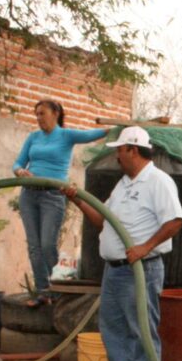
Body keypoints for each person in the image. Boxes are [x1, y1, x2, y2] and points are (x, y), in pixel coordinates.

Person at [63, 126, 182, 361]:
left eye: (119, 150)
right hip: (114, 271)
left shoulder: (159, 181)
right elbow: (103, 222)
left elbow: (176, 221)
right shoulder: (123, 185)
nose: (116, 156)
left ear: (132, 149)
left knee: (141, 331)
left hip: (141, 270)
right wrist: (78, 199)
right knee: (113, 330)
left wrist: (145, 246)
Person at [13, 99, 108, 308]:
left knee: (47, 244)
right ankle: (42, 292)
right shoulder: (33, 137)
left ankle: (56, 291)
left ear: (55, 113)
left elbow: (93, 134)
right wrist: (20, 171)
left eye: (42, 113)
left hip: (52, 196)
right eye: (36, 114)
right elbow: (18, 162)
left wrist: (116, 128)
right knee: (34, 247)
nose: (38, 118)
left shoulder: (67, 135)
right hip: (29, 195)